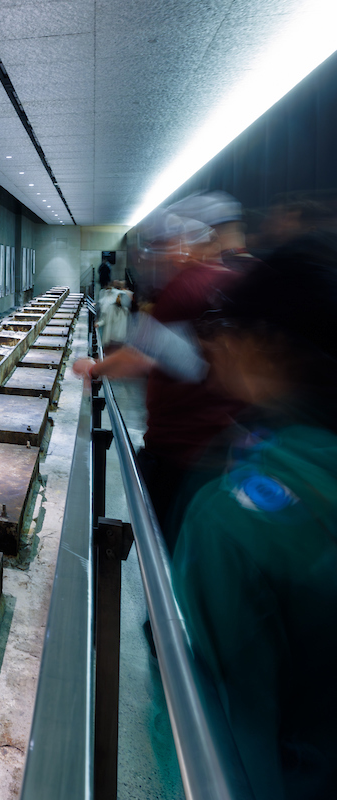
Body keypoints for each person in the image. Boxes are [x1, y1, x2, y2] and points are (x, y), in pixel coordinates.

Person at [172, 251, 337, 800]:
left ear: (265, 344)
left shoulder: (231, 520)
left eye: (222, 329)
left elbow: (233, 728)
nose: (210, 345)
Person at [74, 209, 243, 547]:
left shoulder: (185, 288)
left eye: (166, 247)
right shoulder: (232, 281)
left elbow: (141, 356)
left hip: (180, 447)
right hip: (221, 445)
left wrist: (95, 368)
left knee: (168, 543)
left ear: (186, 246)